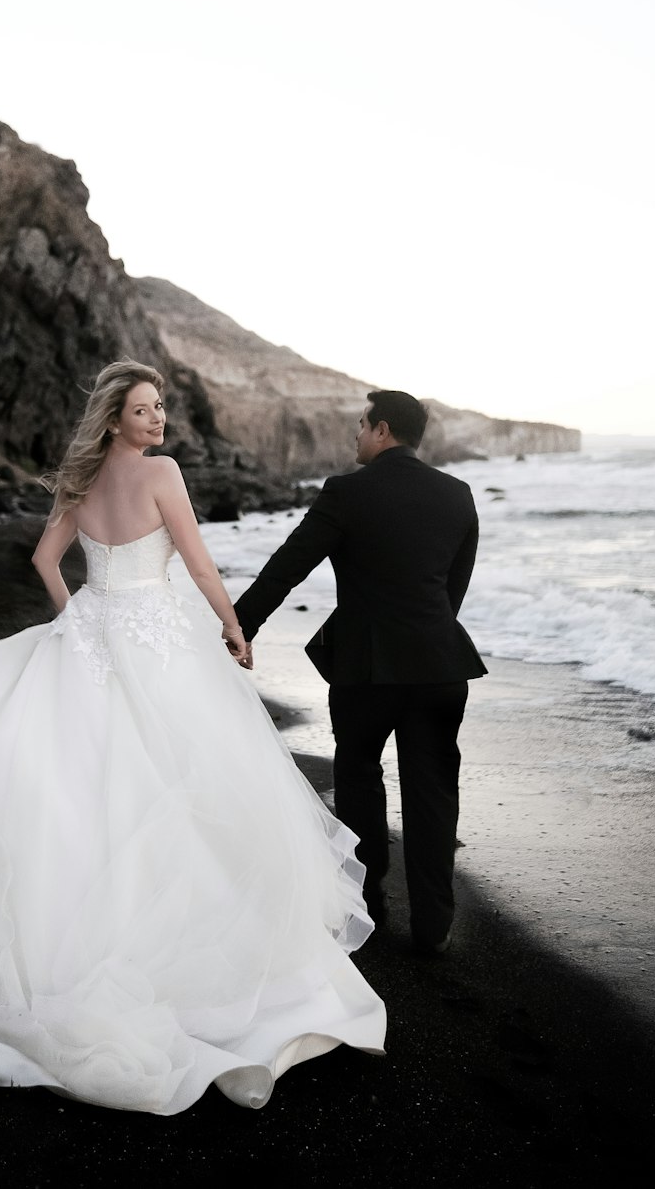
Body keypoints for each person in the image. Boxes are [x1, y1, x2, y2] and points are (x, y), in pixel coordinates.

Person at [0, 360, 386, 1115]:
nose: (158, 420)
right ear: (114, 419)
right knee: (178, 777)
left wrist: (79, 615)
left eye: (161, 407)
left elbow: (45, 559)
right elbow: (198, 565)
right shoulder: (162, 474)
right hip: (159, 637)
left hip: (93, 629)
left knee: (82, 771)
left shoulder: (80, 481)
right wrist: (233, 628)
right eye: (143, 410)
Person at [234, 390, 486, 953]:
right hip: (439, 667)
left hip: (366, 671)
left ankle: (367, 910)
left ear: (383, 430)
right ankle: (433, 927)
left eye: (361, 424)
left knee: (358, 784)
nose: (355, 434)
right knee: (434, 794)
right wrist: (426, 638)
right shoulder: (458, 494)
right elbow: (453, 590)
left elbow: (287, 568)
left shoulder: (346, 493)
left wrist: (240, 625)